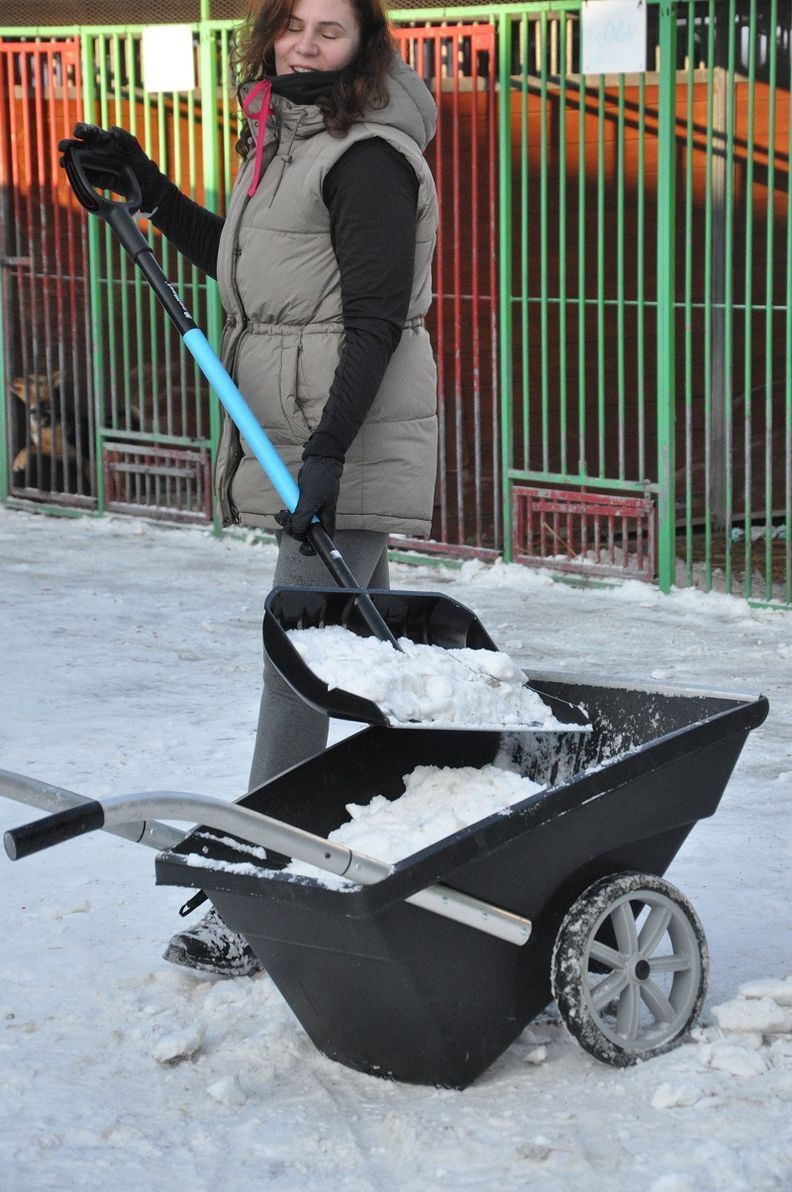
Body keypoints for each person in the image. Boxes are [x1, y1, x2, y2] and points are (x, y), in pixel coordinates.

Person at [61, 0, 438, 975]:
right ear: (269, 30)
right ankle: (425, 819)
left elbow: (375, 319)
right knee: (370, 652)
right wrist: (148, 189)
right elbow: (249, 278)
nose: (306, 42)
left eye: (330, 29)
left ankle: (260, 883)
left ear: (364, 46)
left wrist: (328, 456)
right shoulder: (284, 137)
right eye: (293, 23)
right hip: (304, 433)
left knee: (296, 659)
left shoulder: (367, 156)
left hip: (341, 433)